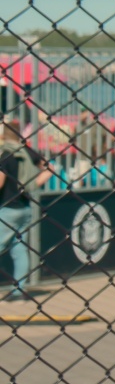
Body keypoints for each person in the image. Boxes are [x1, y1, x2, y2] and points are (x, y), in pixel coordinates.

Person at [0, 119, 41, 300]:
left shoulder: (5, 155)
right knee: (19, 250)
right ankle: (19, 290)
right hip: (24, 207)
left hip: (7, 208)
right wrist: (32, 185)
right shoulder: (26, 152)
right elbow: (49, 168)